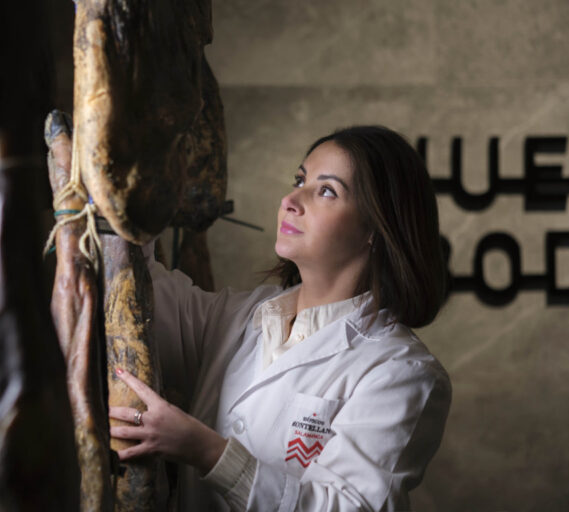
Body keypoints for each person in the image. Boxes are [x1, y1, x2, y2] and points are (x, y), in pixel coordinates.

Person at [109, 125, 451, 511]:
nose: (290, 200)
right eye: (300, 180)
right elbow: (135, 296)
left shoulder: (402, 372)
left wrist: (206, 451)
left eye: (326, 191)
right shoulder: (240, 317)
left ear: (376, 227)